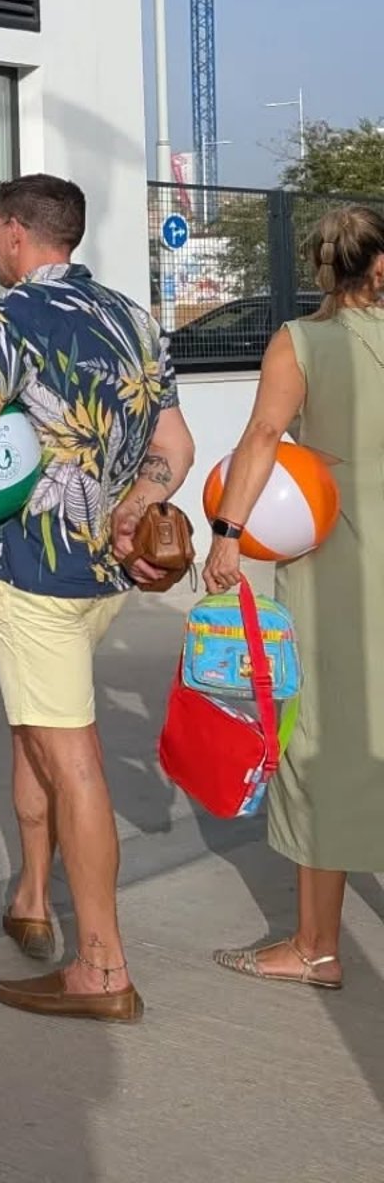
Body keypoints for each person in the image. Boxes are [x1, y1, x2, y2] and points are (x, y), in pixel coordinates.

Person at [0, 174, 193, 1023]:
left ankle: (102, 966)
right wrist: (132, 513)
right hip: (102, 574)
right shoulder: (134, 318)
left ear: (17, 234)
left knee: (71, 757)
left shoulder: (4, 318)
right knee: (34, 729)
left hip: (35, 570)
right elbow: (173, 441)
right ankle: (32, 896)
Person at [203, 203, 384, 990]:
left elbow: (262, 439)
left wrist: (226, 531)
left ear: (318, 267)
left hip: (335, 562)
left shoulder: (299, 342)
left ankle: (315, 946)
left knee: (320, 745)